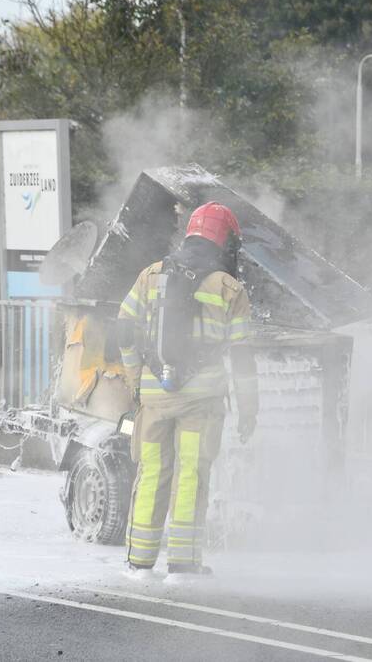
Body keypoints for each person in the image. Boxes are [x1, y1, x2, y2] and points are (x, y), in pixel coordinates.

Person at [118, 201, 259, 576]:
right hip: (201, 400)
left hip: (154, 399)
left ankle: (139, 563)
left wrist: (135, 379)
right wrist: (249, 408)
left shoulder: (151, 275)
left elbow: (124, 327)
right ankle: (182, 565)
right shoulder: (230, 288)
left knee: (151, 473)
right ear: (226, 241)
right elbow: (242, 356)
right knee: (191, 476)